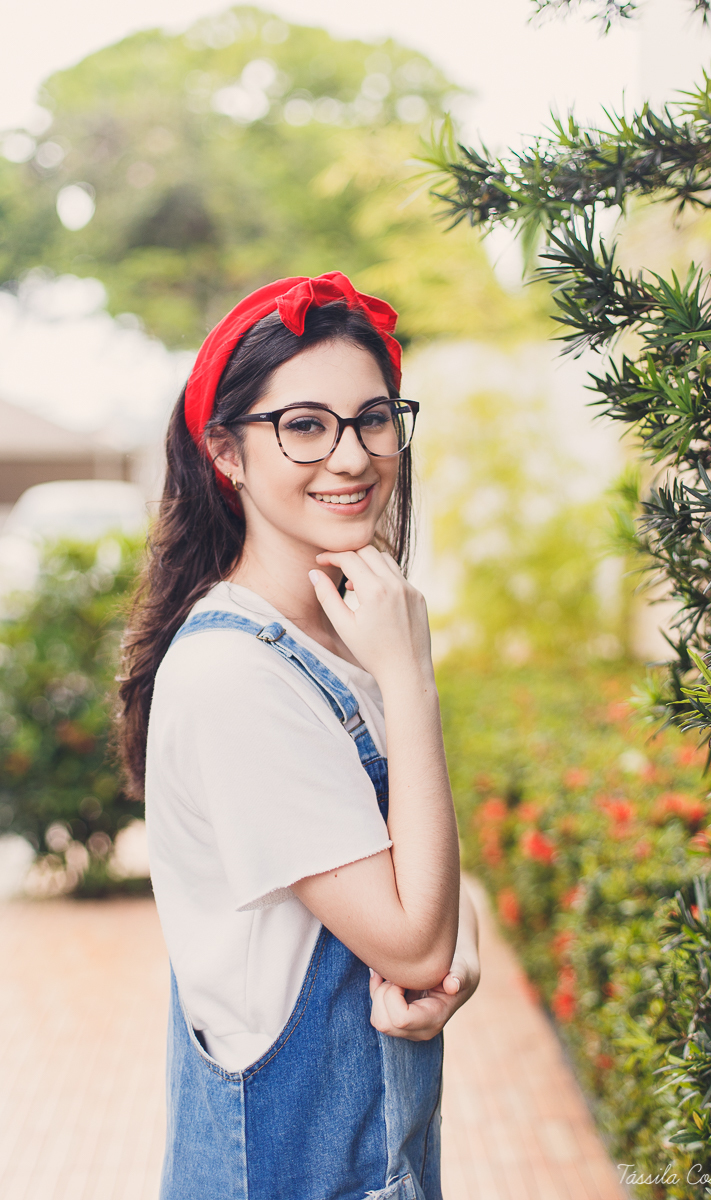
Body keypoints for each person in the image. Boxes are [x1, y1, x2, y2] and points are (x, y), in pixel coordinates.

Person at [117, 272, 480, 1200]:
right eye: (305, 425)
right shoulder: (237, 675)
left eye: (372, 419)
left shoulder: (336, 634)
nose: (352, 456)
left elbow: (417, 880)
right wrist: (411, 676)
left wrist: (460, 938)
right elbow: (408, 940)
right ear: (226, 454)